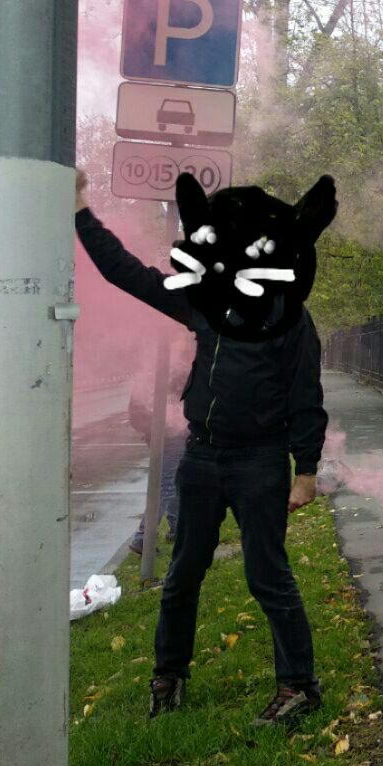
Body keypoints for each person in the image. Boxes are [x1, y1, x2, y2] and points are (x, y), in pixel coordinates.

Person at [74, 170, 331, 727]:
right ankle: (168, 677)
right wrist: (80, 212)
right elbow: (127, 273)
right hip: (203, 457)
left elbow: (306, 397)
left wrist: (306, 470)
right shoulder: (205, 302)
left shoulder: (290, 317)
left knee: (268, 575)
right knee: (183, 574)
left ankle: (299, 686)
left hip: (260, 460)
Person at [127, 355, 190, 556]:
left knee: (175, 480)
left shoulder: (149, 370)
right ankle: (143, 537)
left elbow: (135, 411)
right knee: (167, 485)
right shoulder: (176, 369)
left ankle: (176, 527)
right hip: (172, 434)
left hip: (160, 434)